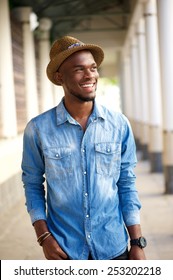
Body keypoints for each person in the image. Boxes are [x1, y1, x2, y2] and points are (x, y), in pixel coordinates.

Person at [21, 35, 147, 260]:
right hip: (64, 251)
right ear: (60, 77)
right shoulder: (38, 129)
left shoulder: (119, 125)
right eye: (79, 69)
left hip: (114, 248)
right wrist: (44, 237)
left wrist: (137, 241)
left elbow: (126, 183)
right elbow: (32, 184)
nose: (90, 75)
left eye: (93, 68)